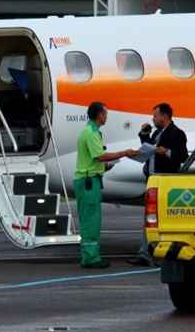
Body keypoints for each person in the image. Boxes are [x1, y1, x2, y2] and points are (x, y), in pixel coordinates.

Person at [74, 102, 138, 269]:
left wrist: (107, 166)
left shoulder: (92, 132)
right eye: (105, 114)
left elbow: (95, 159)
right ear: (99, 115)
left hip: (91, 180)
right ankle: (90, 258)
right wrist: (124, 153)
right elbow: (100, 156)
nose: (106, 116)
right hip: (88, 182)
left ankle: (90, 255)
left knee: (91, 219)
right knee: (91, 220)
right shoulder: (90, 133)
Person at [128, 102, 188, 266]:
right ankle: (145, 253)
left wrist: (167, 152)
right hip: (153, 180)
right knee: (150, 218)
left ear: (164, 116)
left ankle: (158, 254)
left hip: (165, 180)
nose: (153, 119)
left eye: (155, 116)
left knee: (162, 219)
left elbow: (182, 157)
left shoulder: (177, 134)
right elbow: (150, 148)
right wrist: (143, 135)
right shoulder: (157, 133)